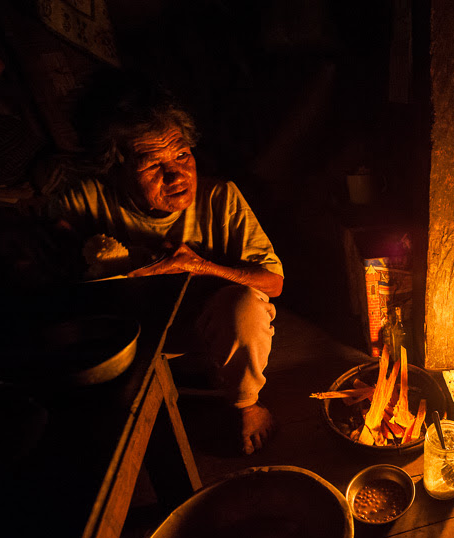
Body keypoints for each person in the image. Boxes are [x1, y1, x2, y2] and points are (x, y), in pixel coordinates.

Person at [50, 71, 283, 455]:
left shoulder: (220, 197)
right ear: (116, 167)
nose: (177, 174)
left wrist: (202, 266)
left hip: (203, 333)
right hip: (128, 337)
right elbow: (50, 247)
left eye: (181, 154)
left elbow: (273, 282)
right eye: (151, 164)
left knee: (245, 306)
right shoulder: (86, 199)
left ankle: (247, 404)